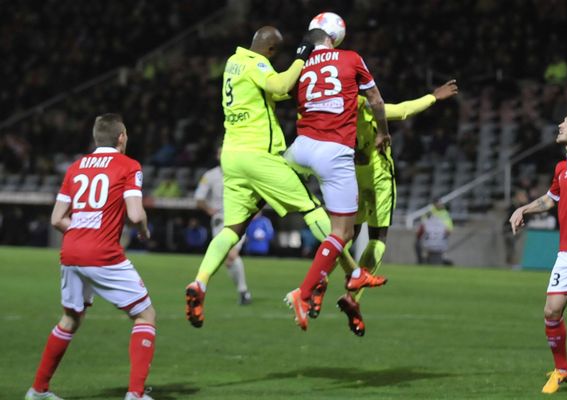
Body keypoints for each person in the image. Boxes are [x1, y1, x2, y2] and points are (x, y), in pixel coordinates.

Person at [184, 27, 377, 329]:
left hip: (232, 158)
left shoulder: (233, 63)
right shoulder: (257, 64)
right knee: (312, 208)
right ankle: (352, 271)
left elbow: (277, 92)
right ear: (271, 51)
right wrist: (302, 58)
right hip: (259, 156)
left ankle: (200, 282)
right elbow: (280, 82)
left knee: (232, 228)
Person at [25, 114, 156, 400]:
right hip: (103, 253)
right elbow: (135, 214)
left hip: (71, 251)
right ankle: (135, 394)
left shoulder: (75, 167)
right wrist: (144, 230)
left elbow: (57, 218)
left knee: (70, 318)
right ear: (121, 137)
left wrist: (83, 231)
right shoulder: (129, 165)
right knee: (145, 314)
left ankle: (38, 391)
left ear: (97, 139)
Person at [312, 81, 459, 336]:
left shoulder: (332, 115)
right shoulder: (367, 107)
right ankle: (353, 295)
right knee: (378, 238)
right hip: (379, 177)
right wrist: (433, 97)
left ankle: (319, 279)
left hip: (352, 178)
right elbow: (403, 110)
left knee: (345, 235)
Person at [283, 22, 390, 331]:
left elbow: (287, 95)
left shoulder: (300, 65)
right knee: (342, 232)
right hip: (334, 151)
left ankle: (345, 275)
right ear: (334, 38)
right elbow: (377, 102)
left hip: (300, 147)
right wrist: (383, 133)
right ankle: (305, 292)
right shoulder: (351, 58)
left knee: (288, 198)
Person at [509, 110, 567, 394]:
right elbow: (551, 199)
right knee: (551, 310)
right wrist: (524, 208)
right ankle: (562, 369)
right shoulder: (562, 167)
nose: (561, 125)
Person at [194, 145, 252, 305]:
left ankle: (243, 293)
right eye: (220, 152)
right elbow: (199, 198)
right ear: (217, 156)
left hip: (238, 218)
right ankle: (244, 292)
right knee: (228, 260)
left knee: (231, 254)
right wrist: (209, 209)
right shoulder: (210, 175)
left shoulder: (241, 173)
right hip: (219, 220)